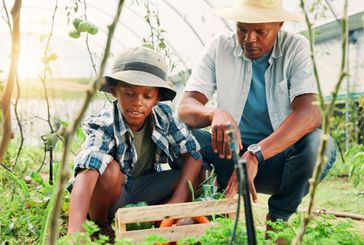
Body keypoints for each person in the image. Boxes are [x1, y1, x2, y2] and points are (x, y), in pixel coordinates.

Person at [178, 0, 336, 224]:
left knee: (320, 145)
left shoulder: (296, 47)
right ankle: (212, 203)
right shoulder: (219, 46)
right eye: (242, 29)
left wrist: (255, 154)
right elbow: (185, 107)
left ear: (280, 24)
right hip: (229, 155)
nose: (249, 39)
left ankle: (278, 219)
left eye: (260, 31)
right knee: (177, 135)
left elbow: (311, 113)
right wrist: (215, 114)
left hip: (279, 159)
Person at [67, 46, 202, 238]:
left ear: (157, 98)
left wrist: (178, 198)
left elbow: (193, 154)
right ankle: (102, 226)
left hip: (143, 189)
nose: (138, 102)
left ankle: (162, 217)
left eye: (147, 96)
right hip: (112, 197)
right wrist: (75, 234)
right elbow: (87, 170)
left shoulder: (163, 117)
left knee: (196, 173)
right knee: (109, 172)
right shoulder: (107, 122)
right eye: (129, 93)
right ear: (115, 91)